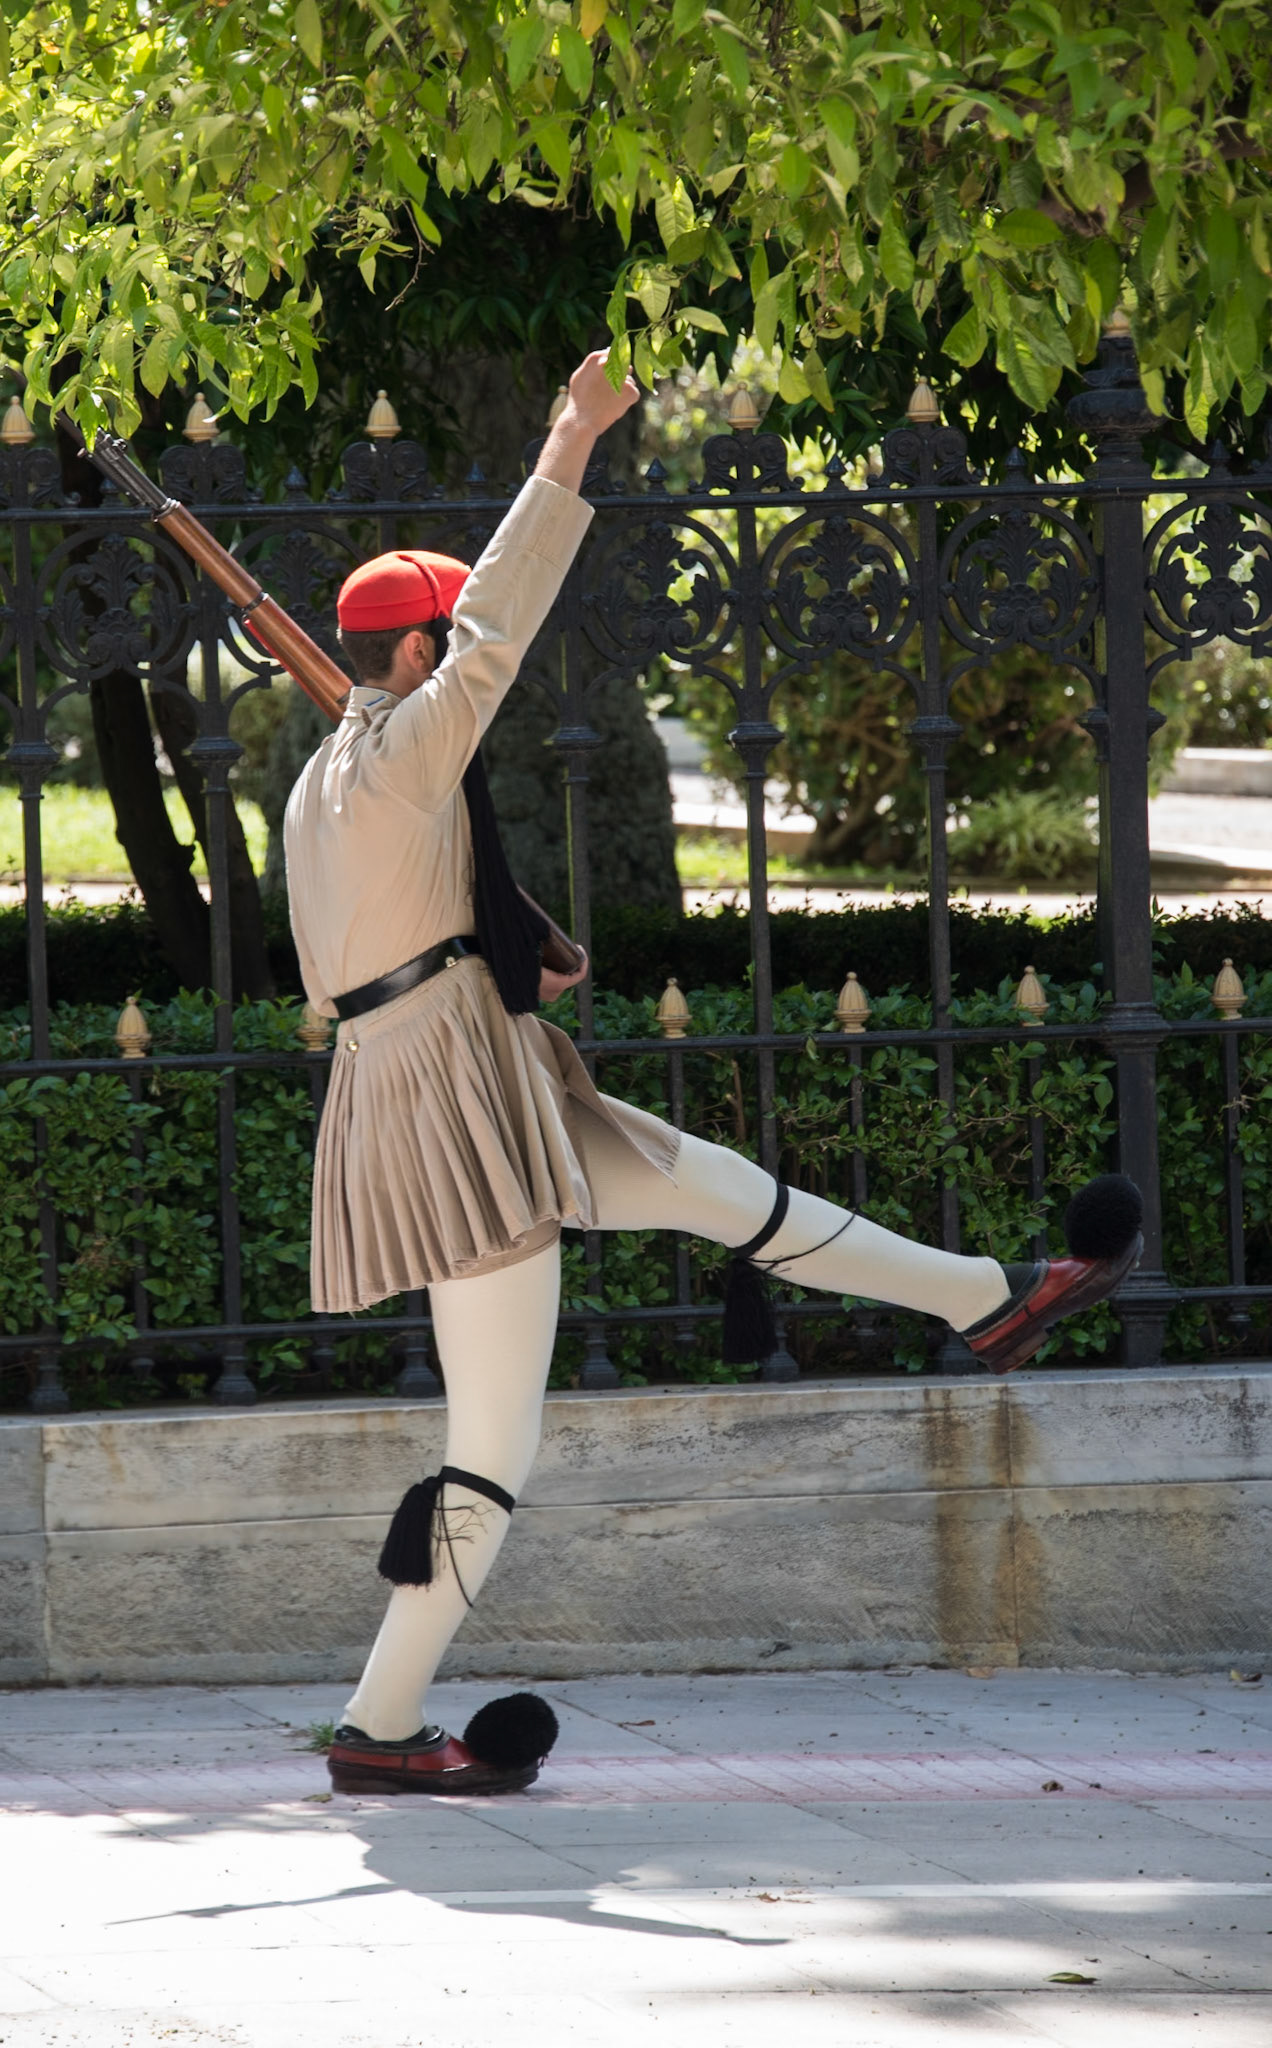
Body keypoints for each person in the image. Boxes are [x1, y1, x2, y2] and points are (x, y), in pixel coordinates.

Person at [282, 351, 1142, 1798]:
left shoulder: (338, 774)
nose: (480, 680)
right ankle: (379, 1723)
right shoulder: (408, 747)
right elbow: (498, 616)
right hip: (451, 1106)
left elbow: (390, 929)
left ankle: (987, 1301)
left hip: (461, 1064)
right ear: (418, 660)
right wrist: (566, 438)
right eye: (454, 656)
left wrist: (519, 943)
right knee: (493, 1447)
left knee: (708, 1186)